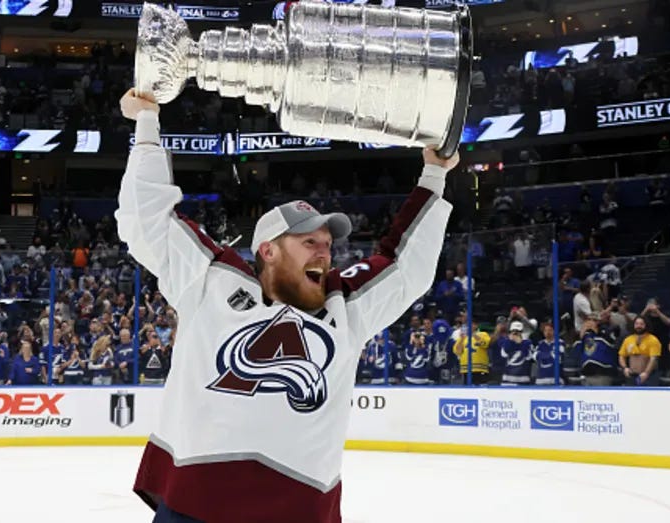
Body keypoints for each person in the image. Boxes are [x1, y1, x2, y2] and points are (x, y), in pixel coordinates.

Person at [117, 89, 459, 522]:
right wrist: (146, 122)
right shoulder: (211, 280)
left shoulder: (346, 306)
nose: (324, 252)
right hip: (194, 505)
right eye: (308, 241)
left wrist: (434, 174)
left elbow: (404, 265)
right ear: (268, 251)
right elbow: (147, 222)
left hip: (299, 511)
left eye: (328, 244)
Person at [618, 316, 662, 386]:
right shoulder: (628, 339)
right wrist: (625, 368)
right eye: (637, 324)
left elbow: (653, 358)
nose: (639, 326)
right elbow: (621, 356)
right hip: (632, 375)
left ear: (646, 325)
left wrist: (646, 373)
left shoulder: (653, 340)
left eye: (641, 324)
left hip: (649, 376)